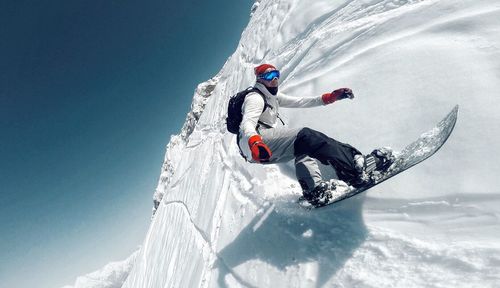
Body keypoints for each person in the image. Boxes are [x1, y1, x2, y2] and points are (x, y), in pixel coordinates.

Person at [237, 63, 394, 207]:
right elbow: (247, 123)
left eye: (276, 74)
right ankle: (355, 169)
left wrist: (330, 97)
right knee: (305, 136)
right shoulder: (256, 98)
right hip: (255, 142)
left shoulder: (273, 96)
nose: (275, 79)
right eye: (269, 77)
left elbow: (301, 101)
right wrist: (255, 141)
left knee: (303, 147)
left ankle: (314, 191)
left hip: (257, 147)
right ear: (260, 79)